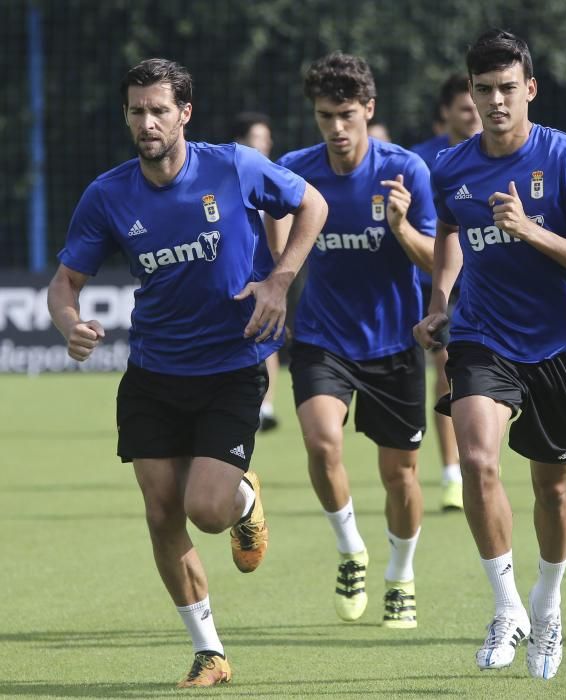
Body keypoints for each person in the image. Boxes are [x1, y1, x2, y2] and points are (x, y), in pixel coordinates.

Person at [46, 58, 327, 687]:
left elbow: (313, 204)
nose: (146, 122)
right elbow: (65, 282)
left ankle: (244, 495)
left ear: (184, 114)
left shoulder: (233, 165)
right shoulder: (109, 194)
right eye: (136, 111)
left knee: (205, 509)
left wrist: (281, 279)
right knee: (160, 508)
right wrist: (69, 325)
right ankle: (210, 650)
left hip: (231, 367)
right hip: (152, 371)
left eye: (158, 110)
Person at [415, 29, 566, 679]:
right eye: (484, 90)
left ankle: (547, 606)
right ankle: (506, 607)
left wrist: (530, 230)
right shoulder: (451, 168)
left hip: (559, 341)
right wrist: (442, 298)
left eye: (508, 88)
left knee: (552, 488)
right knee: (477, 460)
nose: (496, 101)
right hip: (481, 335)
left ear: (529, 89)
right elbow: (448, 229)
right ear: (469, 95)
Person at [266, 52, 435, 630]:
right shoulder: (295, 169)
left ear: (369, 110)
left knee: (401, 477)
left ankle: (401, 574)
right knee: (320, 443)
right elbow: (274, 229)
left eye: (345, 115)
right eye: (324, 116)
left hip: (394, 344)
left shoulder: (407, 171)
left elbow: (440, 262)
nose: (336, 128)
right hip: (322, 337)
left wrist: (402, 228)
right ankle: (350, 551)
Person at [410, 73, 483, 511]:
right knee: (446, 369)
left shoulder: (499, 154)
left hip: (487, 280)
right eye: (464, 108)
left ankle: (476, 460)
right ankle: (452, 473)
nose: (474, 114)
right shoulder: (423, 161)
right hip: (437, 283)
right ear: (446, 114)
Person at [232, 111, 281, 432]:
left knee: (268, 337)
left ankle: (266, 406)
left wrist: (279, 280)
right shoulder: (228, 182)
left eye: (265, 141)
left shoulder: (275, 180)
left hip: (266, 277)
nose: (262, 147)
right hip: (233, 279)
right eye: (255, 141)